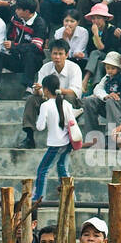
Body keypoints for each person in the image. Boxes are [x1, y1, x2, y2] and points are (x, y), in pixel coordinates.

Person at [32, 71, 75, 204]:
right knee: (62, 168)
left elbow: (40, 127)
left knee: (42, 170)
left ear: (45, 89)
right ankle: (71, 198)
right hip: (67, 142)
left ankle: (37, 198)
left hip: (55, 144)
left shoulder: (45, 105)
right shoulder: (66, 104)